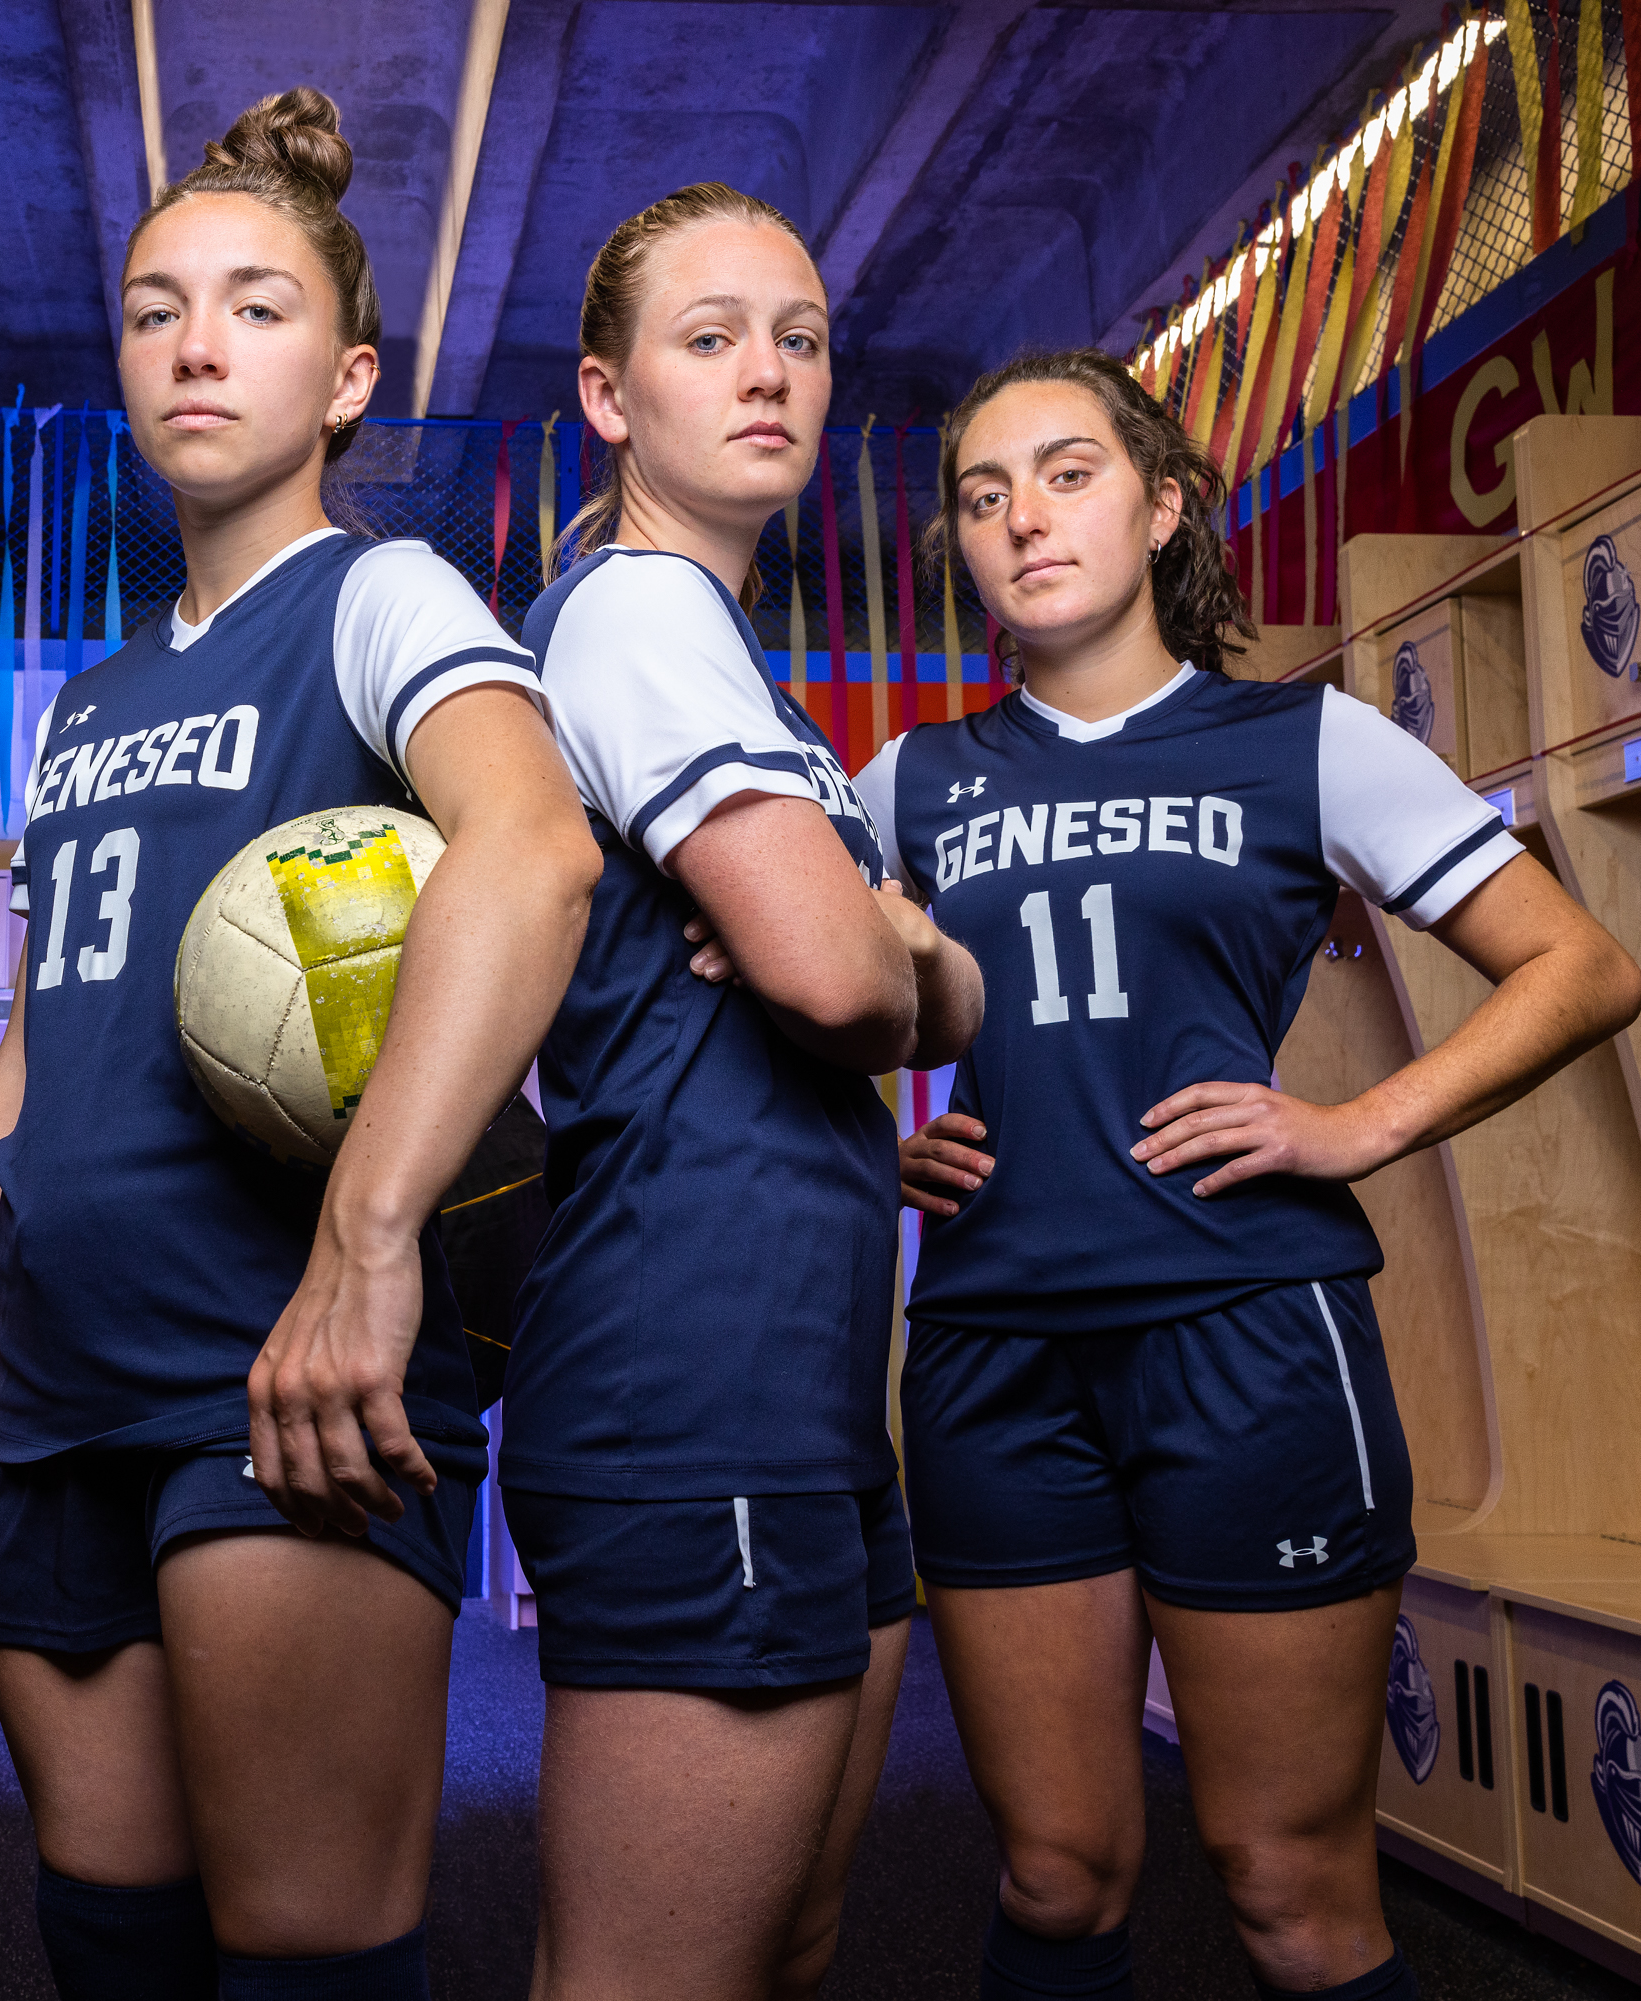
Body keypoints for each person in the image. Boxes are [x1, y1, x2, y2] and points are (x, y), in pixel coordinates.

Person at [0, 88, 600, 2001]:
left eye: (258, 306)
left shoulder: (379, 598)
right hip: (65, 1392)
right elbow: (39, 1046)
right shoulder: (96, 693)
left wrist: (366, 1249)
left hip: (278, 1377)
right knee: (111, 1938)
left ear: (350, 377)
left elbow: (533, 855)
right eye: (156, 305)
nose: (198, 342)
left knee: (304, 1953)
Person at [860, 350, 1641, 2001]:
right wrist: (878, 1134)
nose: (1022, 519)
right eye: (984, 496)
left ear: (1158, 509)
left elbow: (1581, 965)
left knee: (1286, 1883)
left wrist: (1352, 1124)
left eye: (1067, 475)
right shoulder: (908, 785)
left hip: (1250, 1339)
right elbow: (791, 998)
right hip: (996, 1352)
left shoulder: (1302, 742)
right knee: (1057, 1871)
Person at [505, 182, 982, 2001]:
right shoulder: (635, 614)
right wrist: (884, 943)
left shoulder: (734, 665)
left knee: (781, 1943)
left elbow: (938, 984)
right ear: (612, 399)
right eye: (710, 340)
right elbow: (842, 976)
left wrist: (895, 948)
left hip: (792, 1381)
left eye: (798, 337)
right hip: (684, 1368)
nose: (768, 374)